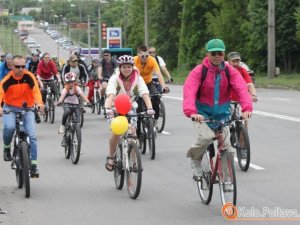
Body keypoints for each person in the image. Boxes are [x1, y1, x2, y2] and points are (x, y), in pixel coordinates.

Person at [182, 39, 252, 189]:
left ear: (224, 54)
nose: (216, 56)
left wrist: (247, 108)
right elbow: (189, 92)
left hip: (222, 115)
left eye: (219, 53)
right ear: (207, 54)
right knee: (206, 137)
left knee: (228, 148)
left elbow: (241, 89)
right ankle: (195, 159)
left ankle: (226, 179)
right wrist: (192, 112)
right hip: (202, 115)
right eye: (213, 53)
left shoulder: (229, 71)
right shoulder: (199, 71)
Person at [104, 55, 154, 171]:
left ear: (132, 67)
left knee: (132, 133)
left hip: (130, 107)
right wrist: (107, 109)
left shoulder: (138, 78)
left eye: (129, 67)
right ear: (120, 68)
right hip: (114, 107)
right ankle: (111, 156)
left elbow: (144, 93)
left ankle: (135, 162)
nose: (127, 69)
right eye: (124, 67)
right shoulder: (114, 78)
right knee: (117, 132)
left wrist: (150, 109)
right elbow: (111, 94)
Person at [0, 55, 45, 177]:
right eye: (17, 67)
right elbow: (0, 93)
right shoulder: (7, 79)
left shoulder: (29, 76)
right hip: (10, 107)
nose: (21, 69)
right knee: (9, 127)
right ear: (12, 67)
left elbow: (36, 90)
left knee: (32, 136)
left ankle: (34, 166)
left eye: (23, 66)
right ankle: (7, 147)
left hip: (27, 108)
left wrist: (40, 103)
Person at [134, 45, 169, 120]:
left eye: (147, 56)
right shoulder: (134, 60)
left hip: (148, 82)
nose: (145, 58)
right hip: (136, 84)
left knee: (156, 96)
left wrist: (164, 86)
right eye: (142, 56)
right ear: (138, 55)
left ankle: (155, 118)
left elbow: (158, 74)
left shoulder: (152, 60)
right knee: (138, 100)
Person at [57, 72, 90, 139]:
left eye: (72, 82)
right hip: (67, 104)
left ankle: (77, 133)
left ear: (74, 82)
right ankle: (62, 125)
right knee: (66, 112)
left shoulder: (77, 88)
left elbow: (82, 95)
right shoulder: (65, 89)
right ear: (66, 83)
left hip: (76, 105)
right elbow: (62, 97)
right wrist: (60, 102)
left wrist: (88, 102)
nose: (70, 84)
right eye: (68, 82)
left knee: (78, 119)